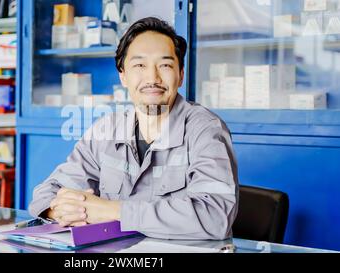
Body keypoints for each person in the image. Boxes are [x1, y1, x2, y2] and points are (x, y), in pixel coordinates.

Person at [28, 17, 238, 240]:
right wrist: (61, 210)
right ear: (123, 76)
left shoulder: (205, 130)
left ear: (181, 75)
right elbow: (47, 191)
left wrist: (110, 210)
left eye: (165, 65)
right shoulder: (105, 130)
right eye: (139, 65)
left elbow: (215, 217)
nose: (152, 78)